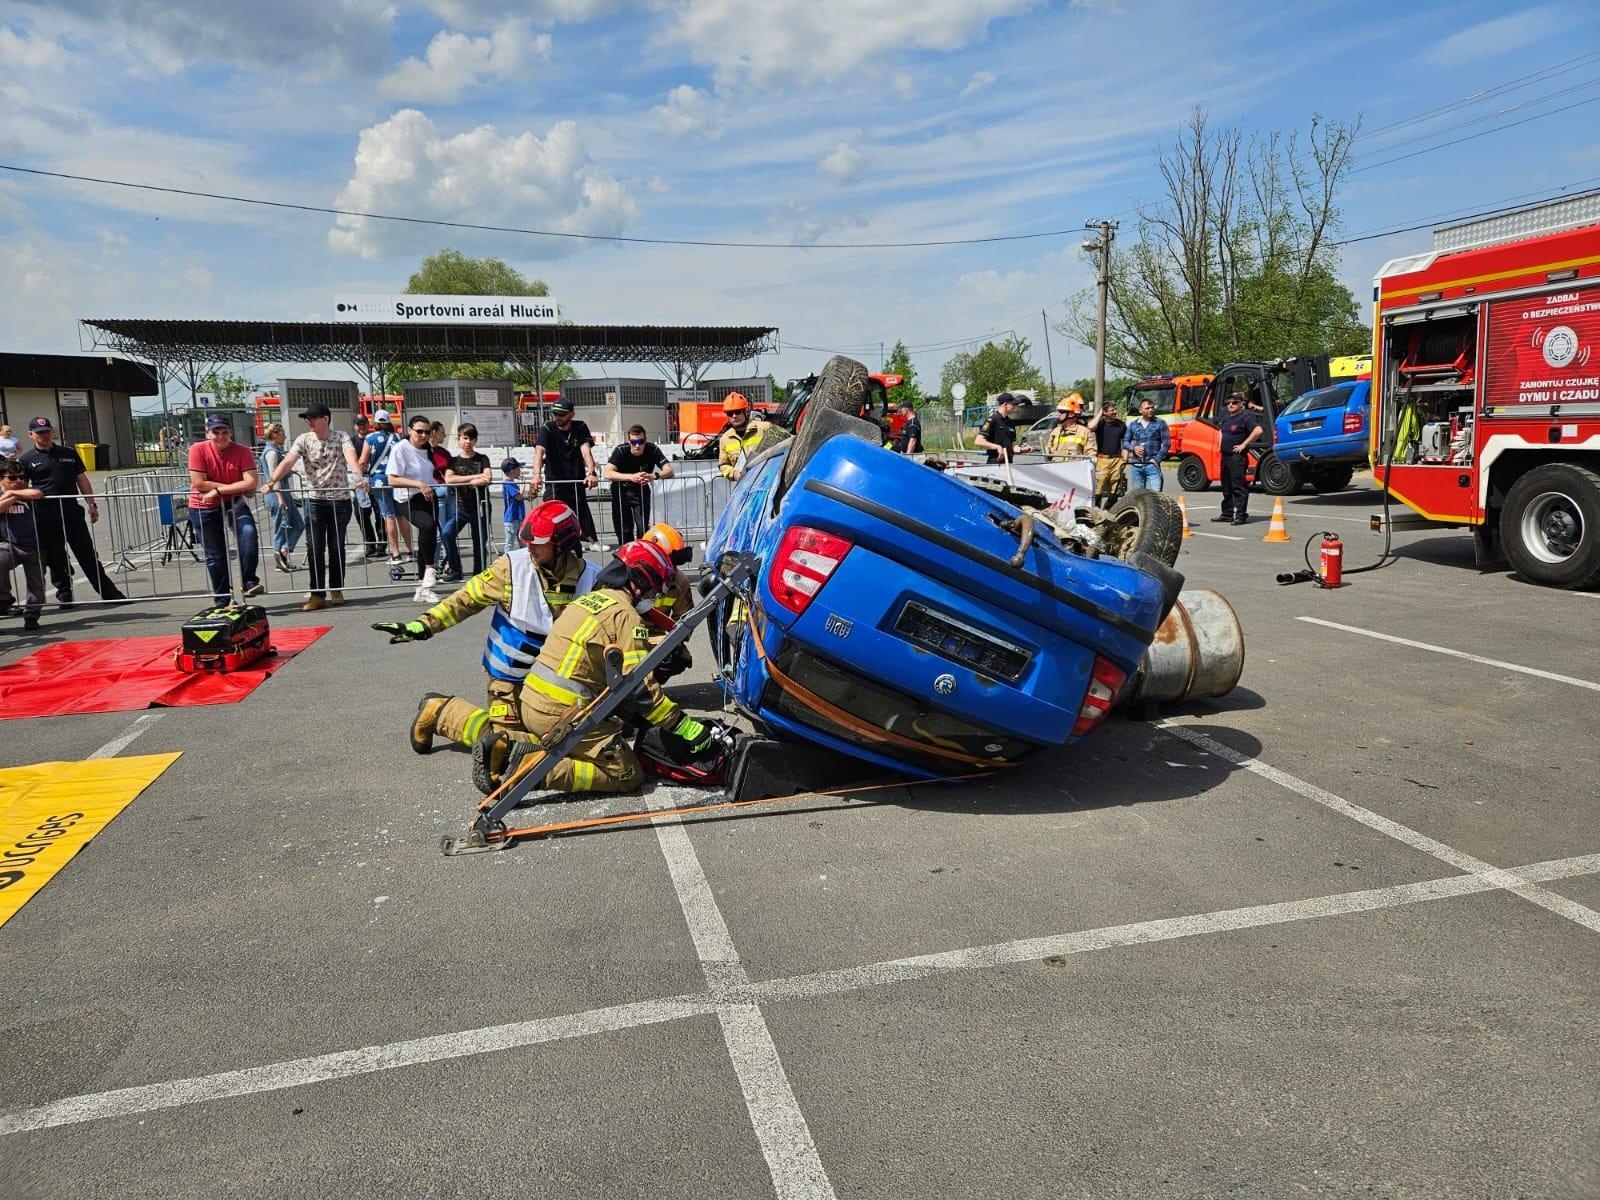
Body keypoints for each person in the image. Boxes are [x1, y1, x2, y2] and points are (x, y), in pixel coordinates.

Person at [374, 501, 601, 790]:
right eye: (527, 540)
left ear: (563, 544)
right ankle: (441, 713)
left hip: (552, 686)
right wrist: (423, 626)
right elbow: (465, 600)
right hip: (508, 680)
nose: (530, 547)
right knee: (510, 746)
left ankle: (440, 710)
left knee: (555, 739)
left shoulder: (593, 580)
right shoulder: (511, 568)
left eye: (538, 543)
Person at [476, 539, 727, 796]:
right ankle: (529, 772)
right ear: (639, 580)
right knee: (627, 773)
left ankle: (505, 749)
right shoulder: (626, 616)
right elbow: (641, 688)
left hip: (531, 704)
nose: (652, 598)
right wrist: (681, 725)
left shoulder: (588, 600)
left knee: (597, 738)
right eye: (652, 591)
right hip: (562, 714)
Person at [262, 403, 366, 611]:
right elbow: (288, 461)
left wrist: (358, 476)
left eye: (313, 418)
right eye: (307, 418)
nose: (309, 421)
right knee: (314, 547)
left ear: (325, 419)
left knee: (336, 546)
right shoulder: (303, 439)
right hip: (314, 500)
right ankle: (317, 594)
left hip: (339, 500)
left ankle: (336, 589)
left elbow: (351, 457)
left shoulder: (341, 437)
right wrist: (272, 481)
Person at [15, 417, 128, 606]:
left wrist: (91, 504)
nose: (45, 435)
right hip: (45, 513)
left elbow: (81, 479)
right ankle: (64, 593)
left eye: (47, 431)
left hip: (71, 511)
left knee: (87, 553)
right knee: (55, 556)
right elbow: (22, 486)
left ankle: (109, 593)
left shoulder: (68, 453)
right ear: (31, 434)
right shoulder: (26, 459)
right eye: (40, 432)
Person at [186, 413, 263, 605]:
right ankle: (223, 599)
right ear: (208, 433)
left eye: (225, 432)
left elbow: (252, 482)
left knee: (248, 533)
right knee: (216, 554)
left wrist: (219, 490)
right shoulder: (197, 450)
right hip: (203, 505)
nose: (220, 436)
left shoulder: (242, 451)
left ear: (231, 433)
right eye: (216, 432)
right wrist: (237, 487)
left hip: (233, 502)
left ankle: (249, 580)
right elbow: (199, 483)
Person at [384, 414, 446, 603]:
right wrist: (419, 484)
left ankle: (423, 587)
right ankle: (430, 568)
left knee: (428, 534)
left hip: (428, 495)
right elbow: (392, 479)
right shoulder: (400, 448)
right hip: (407, 498)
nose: (424, 435)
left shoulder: (428, 449)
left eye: (427, 432)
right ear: (410, 430)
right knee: (427, 525)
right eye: (419, 431)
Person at [532, 400, 600, 544]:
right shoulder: (548, 427)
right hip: (554, 482)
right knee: (553, 511)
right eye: (555, 414)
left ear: (571, 414)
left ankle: (591, 541)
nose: (557, 417)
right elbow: (539, 451)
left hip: (575, 479)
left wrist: (591, 472)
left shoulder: (580, 427)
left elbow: (586, 451)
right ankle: (554, 542)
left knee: (581, 512)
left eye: (561, 414)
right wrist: (536, 475)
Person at [604, 424, 673, 545]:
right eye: (633, 442)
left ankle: (642, 550)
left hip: (641, 491)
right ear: (628, 441)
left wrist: (654, 476)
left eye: (640, 442)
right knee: (624, 528)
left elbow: (669, 470)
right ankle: (626, 552)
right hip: (621, 491)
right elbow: (607, 473)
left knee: (642, 527)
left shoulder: (652, 449)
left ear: (645, 440)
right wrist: (631, 477)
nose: (637, 445)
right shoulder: (621, 450)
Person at [358, 410, 411, 565]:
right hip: (397, 479)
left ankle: (395, 553)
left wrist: (360, 477)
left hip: (379, 480)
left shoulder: (370, 438)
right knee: (401, 515)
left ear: (375, 422)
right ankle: (411, 550)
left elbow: (363, 461)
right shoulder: (398, 438)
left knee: (388, 515)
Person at [0, 458, 47, 630]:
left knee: (36, 584)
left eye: (22, 477)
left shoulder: (26, 491)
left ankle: (32, 615)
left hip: (35, 545)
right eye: (13, 478)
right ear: (1, 479)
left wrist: (12, 494)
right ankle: (4, 598)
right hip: (10, 545)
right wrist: (9, 497)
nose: (19, 481)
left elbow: (37, 494)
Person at [443, 423, 493, 576]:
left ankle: (479, 573)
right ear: (458, 439)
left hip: (480, 507)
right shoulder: (453, 461)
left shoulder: (482, 459)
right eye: (465, 438)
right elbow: (449, 479)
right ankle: (455, 568)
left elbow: (487, 478)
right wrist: (474, 477)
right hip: (460, 507)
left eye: (471, 438)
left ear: (475, 440)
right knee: (447, 533)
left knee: (479, 542)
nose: (468, 442)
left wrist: (475, 479)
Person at [258, 422, 304, 572]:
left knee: (298, 524)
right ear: (275, 435)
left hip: (284, 493)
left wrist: (291, 470)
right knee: (281, 527)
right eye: (282, 434)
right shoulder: (271, 453)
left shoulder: (275, 451)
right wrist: (280, 497)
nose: (285, 436)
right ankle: (280, 559)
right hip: (277, 495)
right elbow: (273, 477)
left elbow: (280, 472)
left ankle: (283, 552)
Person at [1214, 392, 1263, 525]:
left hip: (1237, 458)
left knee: (1238, 487)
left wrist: (1244, 444)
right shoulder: (1226, 419)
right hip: (1225, 457)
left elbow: (1258, 430)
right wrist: (1220, 445)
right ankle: (1227, 514)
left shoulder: (1245, 418)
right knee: (1226, 487)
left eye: (1234, 402)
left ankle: (1241, 515)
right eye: (1228, 403)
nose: (1230, 405)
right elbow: (1221, 433)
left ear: (1241, 404)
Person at [716, 392, 785, 482]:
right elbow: (723, 465)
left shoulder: (764, 428)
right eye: (730, 413)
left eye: (738, 412)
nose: (734, 416)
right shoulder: (725, 439)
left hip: (768, 480)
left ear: (745, 411)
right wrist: (733, 473)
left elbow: (788, 440)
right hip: (745, 485)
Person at [427, 422, 462, 581]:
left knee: (449, 531)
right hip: (437, 492)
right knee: (439, 533)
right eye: (442, 432)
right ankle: (433, 567)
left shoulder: (443, 452)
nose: (444, 435)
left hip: (448, 492)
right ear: (434, 432)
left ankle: (449, 562)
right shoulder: (425, 451)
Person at [351, 413, 383, 558]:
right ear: (355, 426)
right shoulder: (351, 442)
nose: (362, 426)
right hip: (360, 481)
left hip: (375, 480)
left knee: (380, 513)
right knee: (361, 513)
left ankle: (382, 544)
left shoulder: (374, 439)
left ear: (368, 424)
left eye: (364, 423)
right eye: (359, 424)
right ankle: (370, 544)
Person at [1087, 397, 1129, 507]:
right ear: (1105, 412)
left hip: (1117, 460)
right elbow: (1090, 427)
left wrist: (1125, 459)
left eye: (1115, 409)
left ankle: (1109, 510)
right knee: (1098, 488)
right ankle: (1096, 510)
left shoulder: (1121, 425)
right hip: (1102, 460)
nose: (1115, 412)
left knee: (1115, 490)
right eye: (1112, 410)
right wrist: (1100, 413)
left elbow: (1125, 442)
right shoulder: (1100, 424)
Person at [1124, 397, 1172, 492]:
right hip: (1136, 465)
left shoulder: (1160, 423)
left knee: (1156, 495)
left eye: (1152, 407)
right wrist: (1134, 448)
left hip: (1152, 465)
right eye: (1147, 408)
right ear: (1140, 410)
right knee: (1139, 495)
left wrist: (1157, 459)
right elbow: (1125, 441)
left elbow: (1167, 444)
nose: (1150, 410)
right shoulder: (1133, 424)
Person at [974, 393, 1027, 464]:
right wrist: (997, 447)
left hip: (1009, 463)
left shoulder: (1010, 423)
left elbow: (1013, 446)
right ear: (1005, 404)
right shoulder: (992, 420)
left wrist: (1022, 449)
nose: (1015, 407)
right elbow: (978, 441)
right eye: (1013, 404)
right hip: (995, 462)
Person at [1044, 394, 1091, 460]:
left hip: (1075, 466)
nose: (1059, 415)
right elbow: (1050, 449)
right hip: (1056, 466)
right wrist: (1047, 450)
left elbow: (1090, 454)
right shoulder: (1056, 431)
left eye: (1062, 412)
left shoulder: (1084, 432)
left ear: (1071, 414)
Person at [501, 459, 530, 553]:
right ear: (512, 470)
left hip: (518, 517)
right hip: (512, 518)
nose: (520, 471)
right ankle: (506, 558)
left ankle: (524, 557)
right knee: (509, 543)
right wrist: (523, 484)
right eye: (518, 469)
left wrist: (526, 498)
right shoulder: (507, 483)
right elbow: (518, 497)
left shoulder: (512, 483)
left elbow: (516, 498)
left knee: (522, 540)